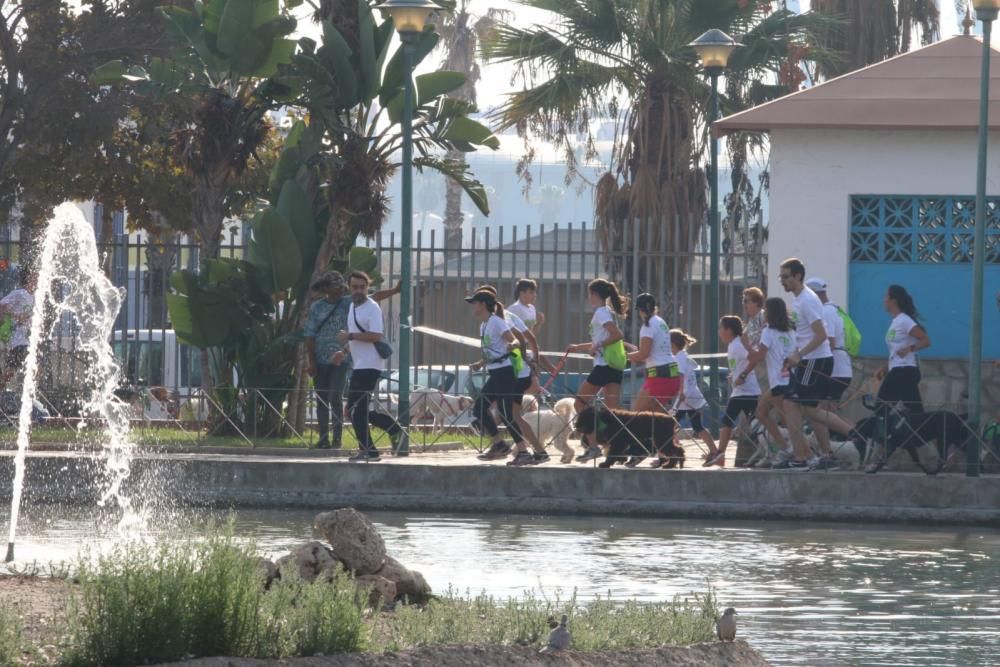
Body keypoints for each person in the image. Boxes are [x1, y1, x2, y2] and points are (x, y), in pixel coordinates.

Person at [304, 271, 399, 449]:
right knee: (333, 403)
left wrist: (395, 290)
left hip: (354, 364)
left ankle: (349, 442)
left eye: (362, 287)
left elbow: (375, 302)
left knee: (341, 401)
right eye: (335, 285)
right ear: (326, 288)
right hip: (328, 360)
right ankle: (327, 440)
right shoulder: (320, 307)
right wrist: (314, 361)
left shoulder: (354, 303)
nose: (340, 288)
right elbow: (309, 335)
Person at [475, 284, 550, 464]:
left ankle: (519, 450)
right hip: (512, 371)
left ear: (488, 302)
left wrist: (533, 364)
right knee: (512, 414)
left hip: (516, 372)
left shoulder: (502, 317)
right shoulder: (488, 322)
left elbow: (523, 339)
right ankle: (538, 452)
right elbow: (496, 349)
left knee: (508, 413)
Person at [334, 271, 401, 462]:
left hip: (370, 365)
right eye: (355, 287)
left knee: (356, 410)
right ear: (349, 287)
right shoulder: (353, 307)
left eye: (362, 287)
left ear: (367, 287)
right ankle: (391, 429)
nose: (359, 291)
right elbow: (355, 335)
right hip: (359, 364)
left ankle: (370, 450)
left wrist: (350, 337)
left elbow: (375, 335)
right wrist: (344, 351)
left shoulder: (372, 308)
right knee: (355, 409)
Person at [566, 278, 629, 463]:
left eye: (589, 294)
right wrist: (579, 347)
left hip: (603, 366)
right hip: (614, 367)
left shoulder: (601, 312)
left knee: (579, 404)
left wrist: (597, 345)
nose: (588, 298)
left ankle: (593, 445)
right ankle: (616, 449)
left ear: (594, 294)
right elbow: (602, 339)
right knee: (612, 412)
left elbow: (617, 335)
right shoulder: (608, 312)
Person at [704, 316, 760, 467]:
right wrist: (734, 375)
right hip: (742, 391)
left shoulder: (737, 345)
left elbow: (755, 358)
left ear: (728, 330)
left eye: (720, 328)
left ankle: (720, 453)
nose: (719, 332)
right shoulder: (732, 345)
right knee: (757, 424)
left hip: (747, 391)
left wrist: (742, 375)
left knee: (727, 421)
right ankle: (770, 449)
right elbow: (742, 364)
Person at [749, 298, 797, 462]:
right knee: (763, 413)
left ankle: (793, 450)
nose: (764, 314)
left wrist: (746, 345)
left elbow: (758, 356)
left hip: (779, 381)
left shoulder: (768, 332)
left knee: (783, 418)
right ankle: (788, 447)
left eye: (766, 310)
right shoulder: (790, 331)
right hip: (789, 379)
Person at [876, 284, 930, 413]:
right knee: (915, 411)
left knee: (881, 408)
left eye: (886, 297)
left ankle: (882, 433)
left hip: (904, 371)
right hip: (898, 369)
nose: (884, 300)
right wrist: (885, 367)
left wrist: (910, 348)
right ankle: (925, 432)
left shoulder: (905, 321)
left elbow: (926, 340)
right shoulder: (895, 322)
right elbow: (895, 350)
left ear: (893, 300)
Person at [628, 293, 680, 414]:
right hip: (672, 372)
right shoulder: (661, 322)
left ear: (640, 310)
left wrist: (625, 356)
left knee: (634, 415)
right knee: (655, 418)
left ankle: (670, 429)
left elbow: (643, 354)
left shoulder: (648, 326)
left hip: (658, 375)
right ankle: (671, 430)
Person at [671, 329, 716, 466]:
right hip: (692, 395)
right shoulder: (684, 356)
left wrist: (680, 395)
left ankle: (668, 453)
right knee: (697, 426)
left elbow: (680, 376)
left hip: (684, 396)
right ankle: (714, 451)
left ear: (672, 344)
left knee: (669, 425)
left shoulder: (679, 358)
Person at [806, 278, 853, 406]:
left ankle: (849, 427)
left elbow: (830, 343)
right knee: (826, 412)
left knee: (825, 412)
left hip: (835, 371)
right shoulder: (834, 309)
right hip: (841, 369)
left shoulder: (826, 312)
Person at [0, 266, 35, 393]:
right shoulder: (19, 293)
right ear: (28, 278)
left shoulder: (36, 296)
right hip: (19, 341)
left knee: (35, 369)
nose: (36, 278)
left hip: (30, 340)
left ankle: (28, 396)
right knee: (9, 373)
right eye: (33, 276)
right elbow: (2, 305)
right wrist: (17, 316)